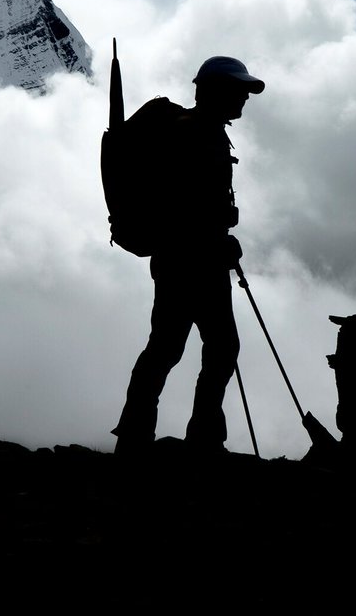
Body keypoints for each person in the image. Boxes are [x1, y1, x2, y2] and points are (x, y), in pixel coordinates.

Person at [112, 56, 264, 455]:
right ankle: (196, 438)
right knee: (197, 347)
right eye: (237, 91)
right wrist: (219, 241)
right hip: (191, 261)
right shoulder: (194, 135)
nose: (243, 99)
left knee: (174, 347)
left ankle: (141, 434)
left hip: (188, 259)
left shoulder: (203, 132)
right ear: (215, 92)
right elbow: (181, 207)